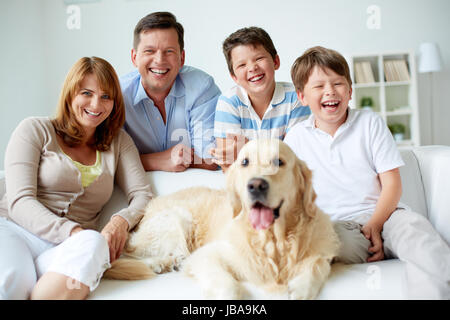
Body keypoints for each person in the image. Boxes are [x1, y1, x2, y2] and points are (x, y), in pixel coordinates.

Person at [284, 46, 450, 299]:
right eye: (319, 86)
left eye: (338, 83)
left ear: (350, 91)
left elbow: (392, 184)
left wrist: (375, 224)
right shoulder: (296, 137)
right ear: (302, 96)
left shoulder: (369, 123)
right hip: (336, 224)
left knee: (418, 233)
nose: (330, 91)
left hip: (386, 213)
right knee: (331, 245)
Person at [0, 57, 153, 300]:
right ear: (71, 93)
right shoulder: (34, 130)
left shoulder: (119, 142)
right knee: (13, 284)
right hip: (16, 231)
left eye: (106, 96)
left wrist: (119, 222)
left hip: (69, 248)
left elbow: (143, 194)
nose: (96, 104)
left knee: (94, 242)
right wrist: (73, 232)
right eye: (87, 93)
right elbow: (20, 201)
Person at [121, 11, 221, 172]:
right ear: (134, 57)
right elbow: (112, 161)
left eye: (169, 51)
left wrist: (138, 160)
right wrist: (158, 161)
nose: (159, 60)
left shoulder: (202, 87)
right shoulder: (117, 96)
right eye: (149, 51)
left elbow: (210, 159)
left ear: (182, 58)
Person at [210, 26, 310, 171]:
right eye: (242, 65)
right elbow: (229, 167)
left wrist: (246, 150)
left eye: (259, 58)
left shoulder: (296, 98)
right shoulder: (229, 102)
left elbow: (291, 159)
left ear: (276, 61)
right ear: (234, 77)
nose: (252, 68)